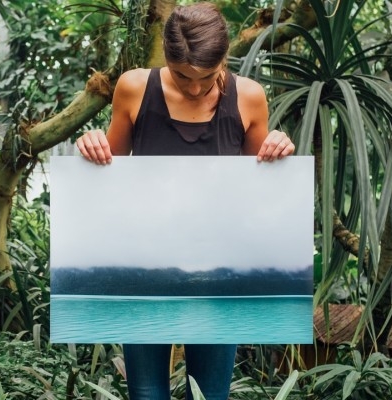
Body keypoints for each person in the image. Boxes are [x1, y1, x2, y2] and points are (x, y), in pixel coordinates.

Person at [76, 3, 295, 399]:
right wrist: (90, 145)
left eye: (207, 78)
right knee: (146, 394)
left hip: (218, 271)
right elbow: (109, 165)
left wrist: (278, 148)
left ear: (224, 59)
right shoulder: (133, 87)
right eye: (182, 76)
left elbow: (259, 185)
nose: (194, 88)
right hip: (144, 264)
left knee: (210, 395)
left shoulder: (249, 97)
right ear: (165, 55)